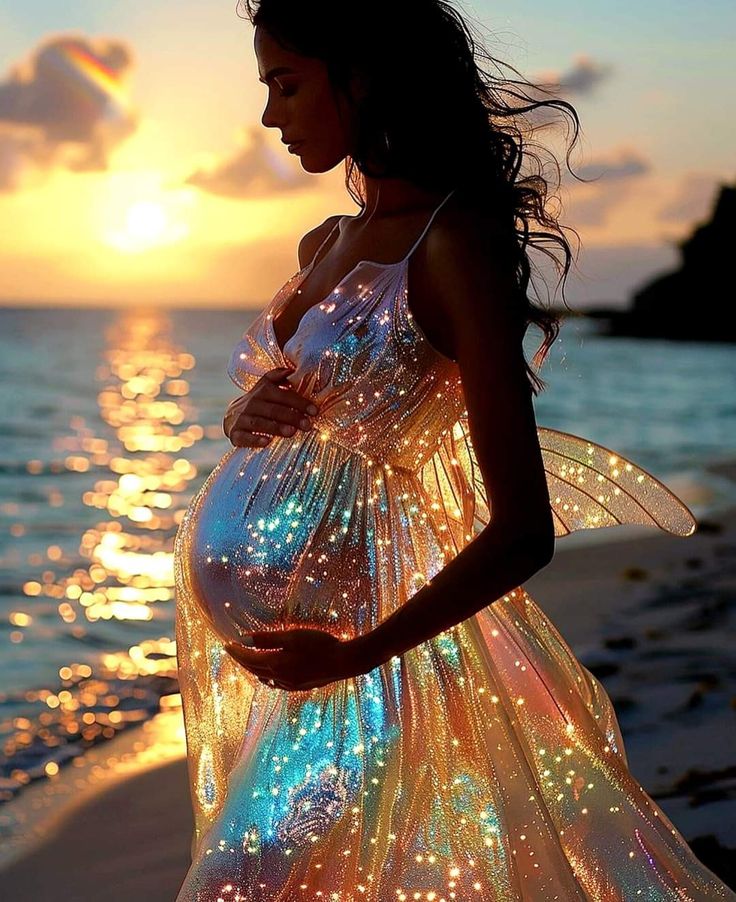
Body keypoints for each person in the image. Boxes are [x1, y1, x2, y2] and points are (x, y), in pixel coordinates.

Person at [174, 1, 736, 898]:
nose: (271, 116)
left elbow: (524, 531)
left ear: (363, 79)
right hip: (299, 690)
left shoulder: (455, 246)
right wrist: (246, 416)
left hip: (364, 676)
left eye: (286, 84)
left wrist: (358, 656)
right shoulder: (326, 242)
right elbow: (303, 414)